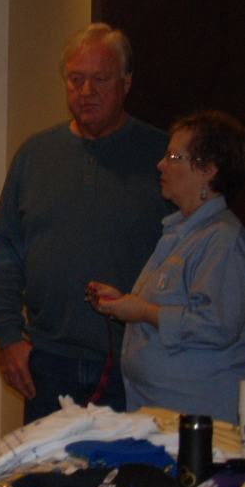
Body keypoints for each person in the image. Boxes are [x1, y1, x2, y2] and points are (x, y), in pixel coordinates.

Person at [0, 23, 168, 422]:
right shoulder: (35, 155)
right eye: (76, 79)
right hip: (48, 363)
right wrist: (9, 337)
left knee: (128, 465)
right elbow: (4, 254)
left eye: (100, 79)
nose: (86, 92)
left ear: (126, 83)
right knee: (45, 466)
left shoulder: (162, 157)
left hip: (134, 363)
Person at [91, 110, 245, 423]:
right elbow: (172, 305)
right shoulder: (180, 233)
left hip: (196, 416)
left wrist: (143, 311)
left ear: (208, 170)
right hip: (161, 409)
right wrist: (124, 303)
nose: (161, 165)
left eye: (174, 157)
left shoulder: (222, 240)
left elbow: (217, 325)